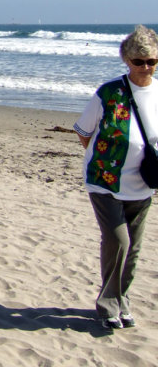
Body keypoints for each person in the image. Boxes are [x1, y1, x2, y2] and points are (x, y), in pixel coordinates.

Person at [73, 24, 158, 330]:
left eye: (151, 61)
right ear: (126, 60)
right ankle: (108, 305)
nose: (145, 67)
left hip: (143, 185)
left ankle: (122, 299)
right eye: (139, 61)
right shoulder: (109, 93)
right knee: (118, 241)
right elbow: (84, 132)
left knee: (133, 249)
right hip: (104, 182)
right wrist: (108, 156)